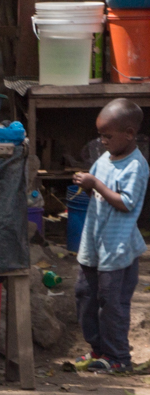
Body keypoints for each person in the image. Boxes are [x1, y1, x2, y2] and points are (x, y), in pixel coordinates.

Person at [73, 97, 149, 373]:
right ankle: (98, 349)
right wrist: (86, 183)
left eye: (107, 136)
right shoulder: (104, 159)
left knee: (112, 304)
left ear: (129, 133)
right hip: (94, 243)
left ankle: (118, 357)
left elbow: (126, 202)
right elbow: (97, 192)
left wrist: (95, 183)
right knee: (85, 295)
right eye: (100, 135)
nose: (102, 141)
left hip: (117, 249)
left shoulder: (136, 166)